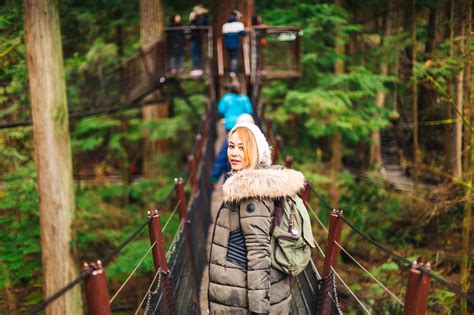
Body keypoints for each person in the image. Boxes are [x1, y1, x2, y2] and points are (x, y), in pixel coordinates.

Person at [208, 122, 305, 313]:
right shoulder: (248, 188)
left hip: (242, 303)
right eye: (231, 146)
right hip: (237, 295)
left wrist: (259, 311)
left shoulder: (251, 195)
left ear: (256, 152)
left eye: (242, 148)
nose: (234, 153)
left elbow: (259, 259)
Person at [211, 113, 254, 185]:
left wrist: (215, 176)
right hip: (250, 179)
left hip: (232, 178)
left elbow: (222, 158)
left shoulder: (231, 138)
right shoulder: (256, 140)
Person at [222, 10, 247, 74]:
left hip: (227, 43)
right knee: (234, 57)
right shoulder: (239, 24)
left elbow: (224, 34)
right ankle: (233, 70)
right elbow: (243, 33)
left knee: (230, 56)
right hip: (235, 43)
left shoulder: (225, 25)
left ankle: (230, 69)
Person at [189, 5, 208, 76]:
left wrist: (193, 19)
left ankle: (198, 68)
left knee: (196, 53)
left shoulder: (203, 16)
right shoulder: (198, 17)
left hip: (199, 38)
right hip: (195, 38)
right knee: (195, 53)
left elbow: (199, 24)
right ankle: (197, 68)